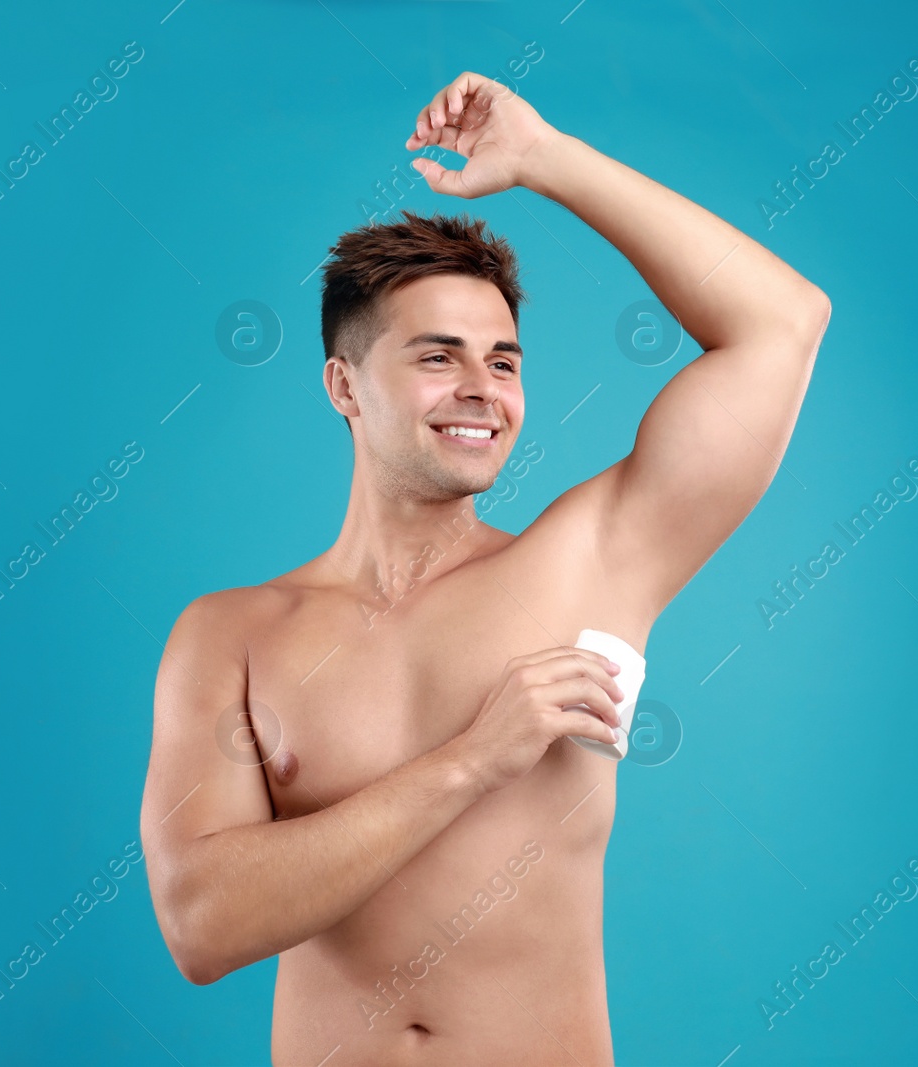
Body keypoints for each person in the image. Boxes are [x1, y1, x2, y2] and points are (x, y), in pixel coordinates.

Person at [140, 70, 830, 1065]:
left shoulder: (593, 560)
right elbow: (201, 925)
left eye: (503, 361)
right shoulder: (233, 635)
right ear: (342, 383)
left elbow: (782, 322)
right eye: (436, 355)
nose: (481, 390)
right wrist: (471, 759)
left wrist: (545, 159)